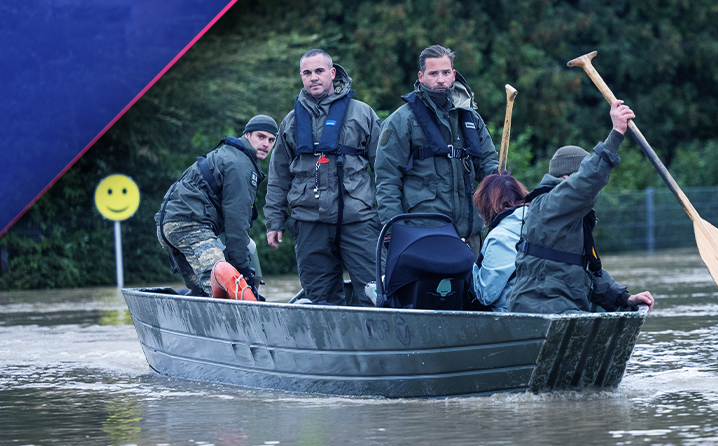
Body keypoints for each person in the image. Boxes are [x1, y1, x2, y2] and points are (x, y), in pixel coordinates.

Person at [507, 100, 655, 314]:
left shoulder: (571, 215)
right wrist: (616, 134)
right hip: (541, 306)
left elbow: (589, 271)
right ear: (566, 177)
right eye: (578, 178)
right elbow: (587, 181)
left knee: (613, 310)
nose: (591, 191)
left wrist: (626, 298)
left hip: (566, 303)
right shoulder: (550, 204)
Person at [264, 49, 381, 306]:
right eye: (307, 73)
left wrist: (390, 216)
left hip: (358, 220)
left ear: (332, 73)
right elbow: (278, 175)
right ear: (301, 77)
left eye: (319, 71)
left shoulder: (363, 113)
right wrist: (274, 220)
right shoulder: (291, 122)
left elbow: (384, 171)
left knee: (376, 293)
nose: (313, 77)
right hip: (310, 221)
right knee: (320, 298)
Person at [375, 45, 499, 256]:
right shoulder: (400, 121)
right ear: (421, 76)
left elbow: (489, 166)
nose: (441, 79)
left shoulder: (471, 118)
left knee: (473, 289)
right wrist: (391, 229)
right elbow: (387, 178)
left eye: (446, 72)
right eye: (433, 73)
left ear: (453, 74)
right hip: (422, 232)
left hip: (470, 232)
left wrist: (503, 193)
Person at [156, 114, 277, 299]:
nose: (266, 144)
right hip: (190, 226)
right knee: (224, 288)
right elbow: (237, 223)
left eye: (271, 140)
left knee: (202, 292)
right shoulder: (240, 165)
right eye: (261, 137)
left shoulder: (230, 154)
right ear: (247, 135)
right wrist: (244, 270)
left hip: (168, 227)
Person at [470, 172, 528, 312]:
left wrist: (465, 258)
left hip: (508, 320)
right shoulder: (537, 223)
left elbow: (485, 294)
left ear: (486, 204)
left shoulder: (501, 236)